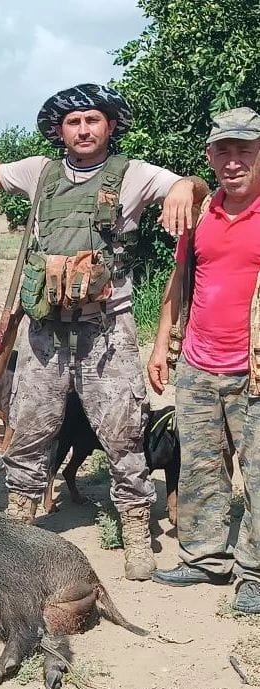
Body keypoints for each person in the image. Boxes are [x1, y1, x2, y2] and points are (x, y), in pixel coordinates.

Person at [0, 83, 208, 580]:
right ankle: (20, 528)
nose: (83, 129)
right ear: (60, 130)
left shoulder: (134, 175)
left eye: (92, 120)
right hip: (43, 333)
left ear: (110, 126)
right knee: (30, 430)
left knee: (124, 433)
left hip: (107, 332)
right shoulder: (41, 172)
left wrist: (188, 185)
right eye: (73, 122)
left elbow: (195, 187)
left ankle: (137, 533)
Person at [148, 107, 260, 613]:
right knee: (199, 467)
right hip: (197, 364)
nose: (233, 161)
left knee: (257, 474)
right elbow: (179, 283)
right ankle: (203, 557)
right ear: (211, 157)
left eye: (245, 150)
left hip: (252, 369)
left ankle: (253, 571)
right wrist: (162, 344)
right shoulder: (200, 213)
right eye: (224, 151)